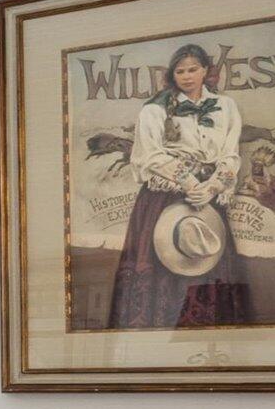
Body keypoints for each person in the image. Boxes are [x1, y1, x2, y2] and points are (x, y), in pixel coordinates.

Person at [108, 43, 254, 328]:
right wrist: (188, 182)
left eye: (193, 69)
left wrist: (211, 187)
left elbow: (230, 153)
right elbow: (150, 154)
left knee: (204, 255)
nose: (187, 76)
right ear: (172, 74)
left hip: (207, 199)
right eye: (180, 71)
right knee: (163, 263)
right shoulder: (154, 109)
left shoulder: (226, 106)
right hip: (165, 196)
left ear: (205, 71)